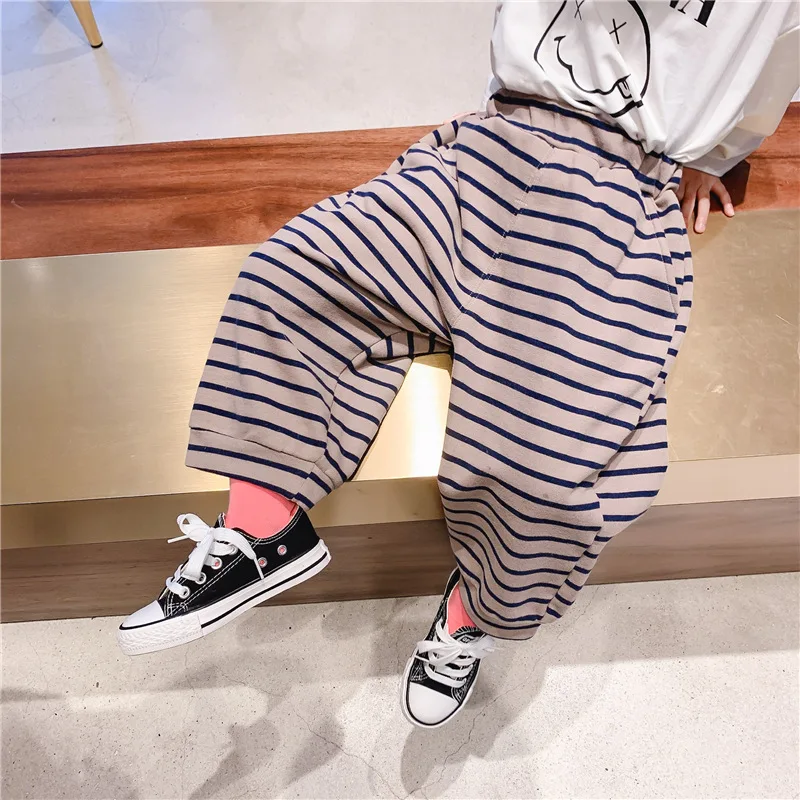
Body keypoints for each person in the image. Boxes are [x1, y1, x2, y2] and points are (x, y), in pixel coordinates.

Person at [117, 1, 799, 729]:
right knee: (291, 276)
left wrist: (714, 156)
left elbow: (774, 50)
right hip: (488, 148)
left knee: (544, 463)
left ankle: (476, 611)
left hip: (618, 195)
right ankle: (263, 530)